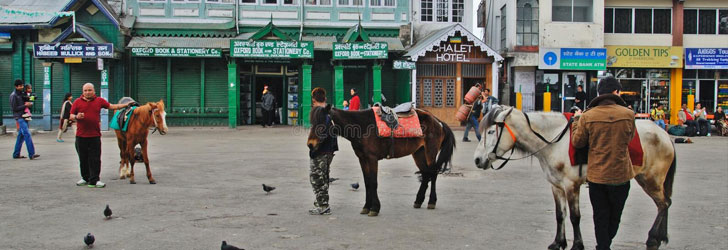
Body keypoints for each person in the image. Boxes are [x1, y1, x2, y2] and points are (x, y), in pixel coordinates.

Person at [571, 76, 635, 250]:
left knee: (600, 216)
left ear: (599, 93)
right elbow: (630, 138)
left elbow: (578, 142)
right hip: (621, 175)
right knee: (615, 216)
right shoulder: (629, 114)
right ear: (616, 92)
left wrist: (576, 121)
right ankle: (605, 245)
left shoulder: (587, 116)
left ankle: (603, 246)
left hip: (597, 177)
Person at [70, 83, 130, 188]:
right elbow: (70, 116)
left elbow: (112, 106)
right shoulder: (77, 102)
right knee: (83, 158)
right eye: (85, 90)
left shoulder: (99, 101)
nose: (87, 92)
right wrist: (76, 116)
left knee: (95, 159)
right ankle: (85, 178)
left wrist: (126, 105)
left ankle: (95, 180)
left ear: (94, 91)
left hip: (95, 136)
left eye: (89, 90)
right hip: (81, 136)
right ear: (82, 92)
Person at [308, 87, 338, 215]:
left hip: (321, 150)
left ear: (313, 100)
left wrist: (314, 148)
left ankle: (323, 205)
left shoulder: (319, 112)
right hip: (329, 150)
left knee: (316, 177)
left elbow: (319, 133)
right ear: (324, 98)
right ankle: (321, 203)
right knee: (324, 177)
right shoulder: (329, 112)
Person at [9, 79, 39, 160]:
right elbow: (14, 108)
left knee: (21, 136)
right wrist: (25, 106)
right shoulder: (13, 95)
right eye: (20, 86)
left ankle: (16, 154)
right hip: (19, 117)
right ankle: (31, 154)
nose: (22, 87)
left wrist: (30, 101)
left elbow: (28, 100)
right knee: (27, 134)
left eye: (22, 86)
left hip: (25, 116)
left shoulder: (22, 94)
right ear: (16, 86)